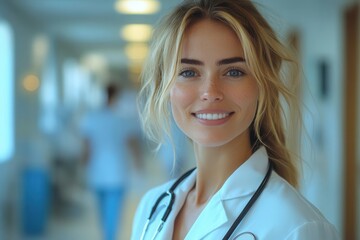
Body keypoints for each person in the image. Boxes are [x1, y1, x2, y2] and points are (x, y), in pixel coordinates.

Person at [131, 0, 340, 239]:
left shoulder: (297, 227)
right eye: (189, 72)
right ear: (165, 88)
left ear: (262, 85)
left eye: (234, 72)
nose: (210, 91)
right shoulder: (151, 207)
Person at [80, 83, 140, 240]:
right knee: (113, 212)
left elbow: (86, 147)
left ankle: (107, 236)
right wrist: (138, 164)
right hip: (117, 172)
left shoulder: (92, 118)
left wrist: (84, 166)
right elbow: (133, 145)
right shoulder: (122, 119)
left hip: (97, 171)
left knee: (102, 210)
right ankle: (109, 237)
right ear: (117, 96)